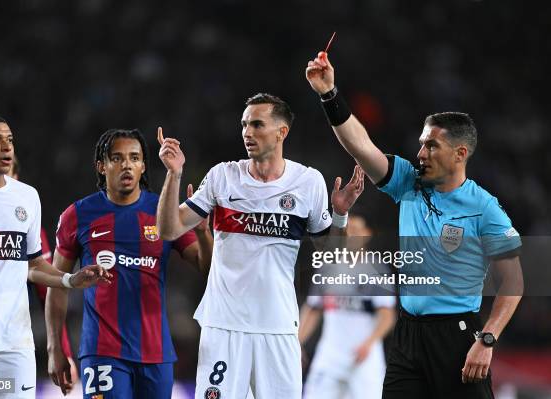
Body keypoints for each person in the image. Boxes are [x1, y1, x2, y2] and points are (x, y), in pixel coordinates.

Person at [305, 52, 523, 398]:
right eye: (422, 143)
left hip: (457, 336)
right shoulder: (407, 181)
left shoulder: (485, 208)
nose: (420, 153)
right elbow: (360, 146)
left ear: (460, 153)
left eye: (431, 145)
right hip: (408, 338)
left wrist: (488, 338)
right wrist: (329, 94)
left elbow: (513, 281)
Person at [156, 93, 365, 399]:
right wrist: (174, 174)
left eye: (256, 124)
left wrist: (341, 214)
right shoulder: (223, 176)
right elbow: (169, 228)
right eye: (244, 125)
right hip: (224, 325)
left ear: (282, 131)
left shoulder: (308, 182)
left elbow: (332, 256)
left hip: (278, 327)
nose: (247, 132)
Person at [0, 113, 110, 398]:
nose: (6, 147)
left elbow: (34, 265)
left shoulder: (27, 197)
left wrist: (70, 279)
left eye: (9, 140)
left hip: (13, 346)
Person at [45, 128, 214, 399]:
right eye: (117, 158)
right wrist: (55, 347)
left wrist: (204, 233)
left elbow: (208, 269)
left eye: (134, 158)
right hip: (102, 350)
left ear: (143, 165)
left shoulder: (163, 212)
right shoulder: (77, 215)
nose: (127, 165)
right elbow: (56, 283)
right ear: (101, 166)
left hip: (157, 353)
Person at [299, 214, 396, 399]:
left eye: (357, 231)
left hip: (364, 358)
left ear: (368, 234)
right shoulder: (327, 267)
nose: (351, 235)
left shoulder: (377, 270)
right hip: (330, 356)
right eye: (348, 230)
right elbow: (312, 310)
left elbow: (387, 316)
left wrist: (368, 343)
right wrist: (297, 344)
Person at [7, 155, 79, 392]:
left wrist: (61, 351)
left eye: (8, 176)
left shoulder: (30, 233)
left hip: (10, 348)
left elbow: (47, 291)